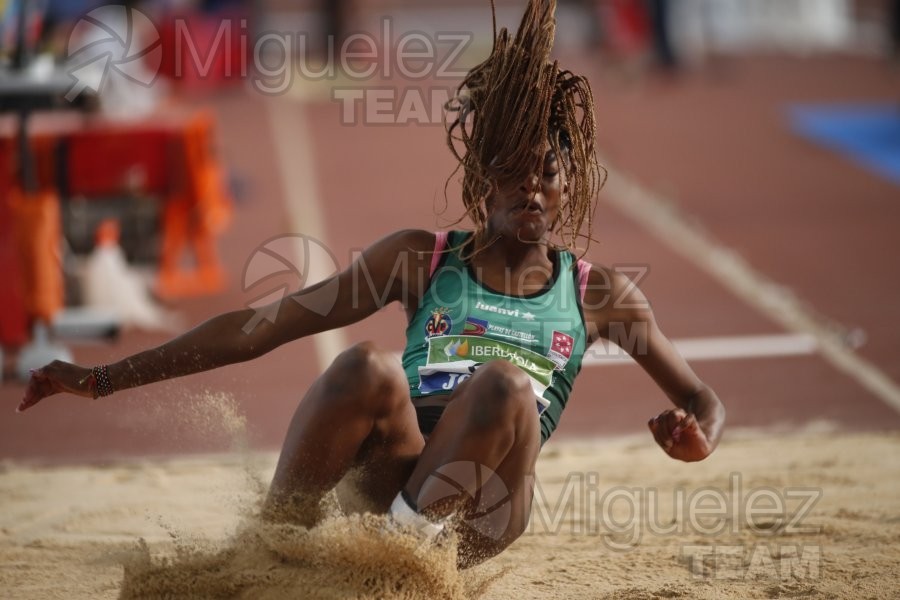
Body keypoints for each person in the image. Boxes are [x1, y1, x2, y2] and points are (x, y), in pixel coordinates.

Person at [18, 0, 724, 569]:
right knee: (361, 366)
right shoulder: (420, 259)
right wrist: (104, 377)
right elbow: (260, 327)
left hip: (488, 507)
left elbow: (699, 397)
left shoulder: (598, 296)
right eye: (512, 171)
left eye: (546, 173)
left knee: (506, 384)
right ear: (481, 180)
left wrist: (701, 435)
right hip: (403, 472)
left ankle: (399, 566)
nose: (530, 189)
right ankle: (272, 552)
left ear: (567, 188)